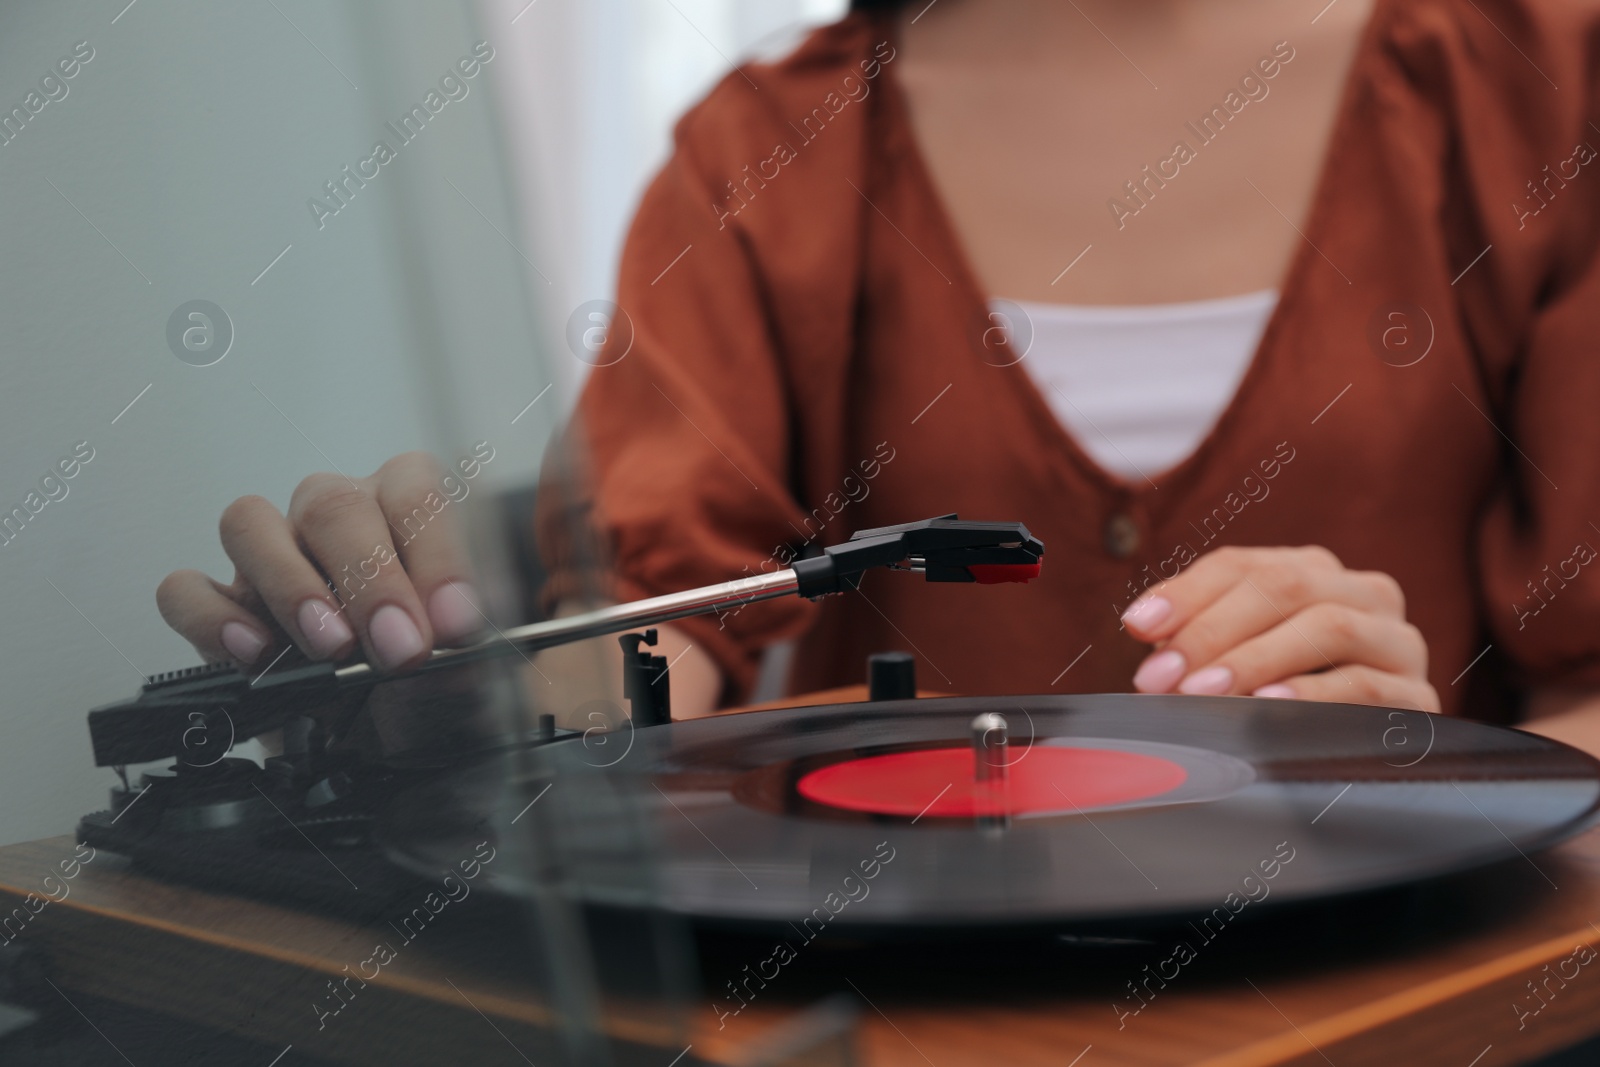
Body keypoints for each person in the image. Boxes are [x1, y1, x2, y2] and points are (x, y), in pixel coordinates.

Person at [156, 0, 1600, 754]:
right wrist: (452, 696)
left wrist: (1450, 769)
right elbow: (664, 646)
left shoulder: (1543, 85)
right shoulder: (762, 154)